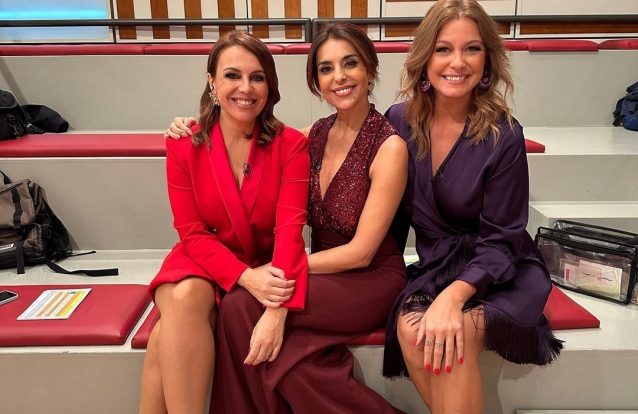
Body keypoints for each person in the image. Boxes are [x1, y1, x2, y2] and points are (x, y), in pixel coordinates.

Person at [166, 22, 408, 414]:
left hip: (370, 275)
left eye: (350, 64)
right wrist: (190, 127)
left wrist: (278, 277)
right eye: (326, 68)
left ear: (370, 70)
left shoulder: (389, 146)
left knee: (241, 307)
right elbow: (249, 138)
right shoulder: (312, 136)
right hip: (319, 270)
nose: (339, 77)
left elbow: (361, 252)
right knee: (273, 339)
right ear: (317, 81)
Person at [382, 1, 563, 413]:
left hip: (500, 269)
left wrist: (452, 298)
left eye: (472, 49)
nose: (457, 63)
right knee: (412, 330)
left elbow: (503, 239)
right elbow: (344, 138)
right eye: (443, 49)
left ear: (487, 60)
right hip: (436, 266)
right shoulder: (399, 121)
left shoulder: (504, 134)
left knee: (455, 333)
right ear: (425, 57)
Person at [140, 31, 310, 414]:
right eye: (232, 75)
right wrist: (244, 277)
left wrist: (277, 307)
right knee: (183, 296)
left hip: (261, 262)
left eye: (257, 77)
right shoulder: (183, 143)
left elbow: (290, 231)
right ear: (212, 82)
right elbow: (191, 233)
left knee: (164, 334)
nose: (245, 88)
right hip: (201, 258)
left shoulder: (291, 145)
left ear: (270, 85)